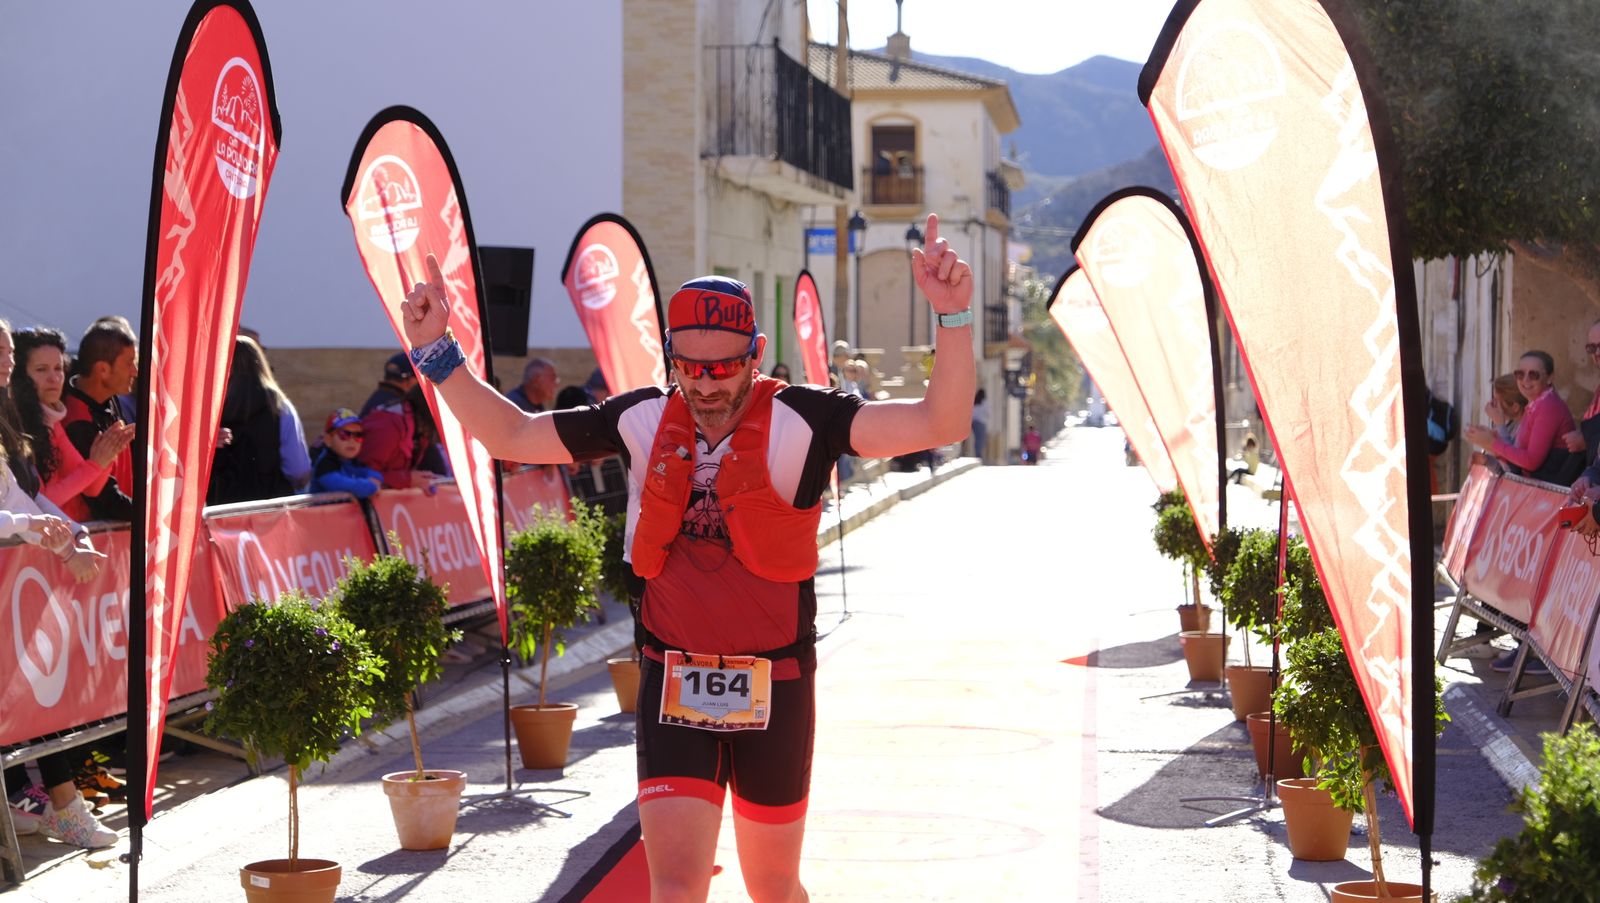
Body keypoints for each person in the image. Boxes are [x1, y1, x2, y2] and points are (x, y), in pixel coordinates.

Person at [397, 212, 973, 902]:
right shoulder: (642, 416)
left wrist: (954, 317)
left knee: (772, 887)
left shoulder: (808, 418)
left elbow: (940, 422)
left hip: (776, 683)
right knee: (674, 886)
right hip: (674, 680)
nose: (704, 388)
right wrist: (438, 352)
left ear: (755, 355)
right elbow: (512, 433)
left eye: (724, 370)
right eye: (690, 369)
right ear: (672, 359)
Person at [0, 318, 116, 849]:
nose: (5, 360)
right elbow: (22, 510)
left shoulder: (9, 421)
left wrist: (72, 535)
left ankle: (59, 803)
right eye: (2, 353)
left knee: (37, 694)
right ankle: (59, 804)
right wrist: (36, 528)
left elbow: (27, 498)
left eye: (5, 351)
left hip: (17, 576)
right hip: (13, 575)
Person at [10, 327, 135, 521]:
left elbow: (92, 488)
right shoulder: (16, 426)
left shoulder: (52, 421)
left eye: (58, 368)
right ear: (20, 375)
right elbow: (43, 500)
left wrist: (105, 458)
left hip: (64, 541)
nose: (54, 378)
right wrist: (95, 465)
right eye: (41, 369)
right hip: (44, 545)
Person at [208, 336, 311, 504]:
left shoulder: (211, 408)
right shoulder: (279, 406)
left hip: (222, 508)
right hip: (271, 509)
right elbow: (298, 469)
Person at [62, 317, 139, 520]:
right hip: (96, 540)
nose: (135, 372)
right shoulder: (76, 420)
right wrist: (149, 515)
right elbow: (104, 500)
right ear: (103, 370)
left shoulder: (107, 395)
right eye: (129, 363)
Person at [1463, 351, 1579, 484]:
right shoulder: (1536, 404)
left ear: (1550, 378)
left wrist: (1492, 443)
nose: (1525, 380)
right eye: (1520, 374)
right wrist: (1491, 444)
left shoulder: (1549, 406)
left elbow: (1531, 462)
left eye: (1533, 375)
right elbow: (1517, 456)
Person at [358, 353, 434, 490]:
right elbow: (363, 472)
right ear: (411, 380)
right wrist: (407, 479)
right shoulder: (391, 418)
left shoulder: (387, 405)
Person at [309, 408, 384, 498]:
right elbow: (339, 485)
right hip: (323, 511)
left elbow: (374, 474)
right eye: (344, 434)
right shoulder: (325, 463)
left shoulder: (353, 462)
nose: (352, 441)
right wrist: (371, 486)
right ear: (328, 439)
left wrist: (374, 479)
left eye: (358, 435)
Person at [1479, 374, 1528, 474]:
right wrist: (1485, 460)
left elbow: (1514, 469)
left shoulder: (1526, 428)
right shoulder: (1512, 425)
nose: (1492, 404)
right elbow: (1504, 472)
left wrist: (1500, 424)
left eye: (1497, 401)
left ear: (1515, 407)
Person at [970, 388, 989, 463]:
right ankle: (979, 454)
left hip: (973, 422)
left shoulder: (974, 402)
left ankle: (976, 453)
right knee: (981, 439)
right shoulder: (985, 403)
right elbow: (988, 413)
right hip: (981, 422)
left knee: (976, 439)